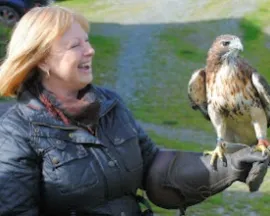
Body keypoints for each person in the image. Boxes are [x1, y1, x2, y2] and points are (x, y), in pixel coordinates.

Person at [0, 5, 268, 216]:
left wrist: (229, 166)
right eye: (75, 45)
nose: (91, 50)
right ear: (42, 58)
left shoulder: (109, 104)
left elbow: (152, 166)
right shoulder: (16, 130)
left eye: (88, 41)